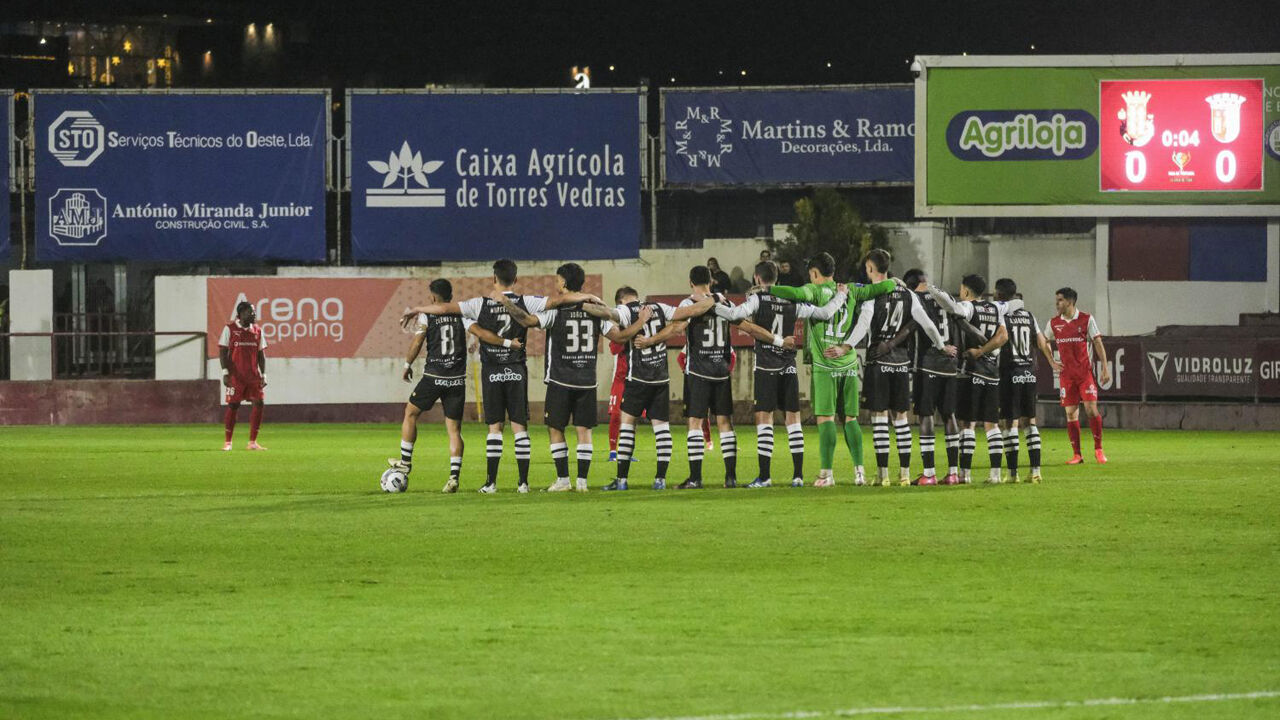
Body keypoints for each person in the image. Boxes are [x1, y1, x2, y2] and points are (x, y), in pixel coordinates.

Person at [402, 259, 579, 493]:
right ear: (515, 280)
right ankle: (523, 483)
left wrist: (417, 309)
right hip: (516, 370)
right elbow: (559, 300)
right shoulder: (526, 301)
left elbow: (446, 309)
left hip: (492, 371)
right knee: (519, 427)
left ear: (493, 278)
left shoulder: (478, 304)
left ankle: (491, 483)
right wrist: (586, 297)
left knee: (495, 428)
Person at [496, 263, 638, 492]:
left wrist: (505, 302)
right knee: (584, 430)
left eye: (557, 280)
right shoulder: (595, 310)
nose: (555, 283)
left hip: (560, 380)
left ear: (563, 282)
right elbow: (620, 337)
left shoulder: (557, 311)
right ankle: (582, 482)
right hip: (587, 380)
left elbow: (527, 321)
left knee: (555, 428)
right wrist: (640, 323)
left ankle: (563, 479)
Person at [715, 260, 844, 487]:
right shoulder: (791, 301)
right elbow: (824, 313)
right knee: (793, 420)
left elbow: (735, 315)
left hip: (766, 367)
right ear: (777, 279)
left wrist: (714, 304)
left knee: (764, 419)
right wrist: (841, 296)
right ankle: (797, 476)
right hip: (788, 367)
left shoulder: (757, 299)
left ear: (757, 278)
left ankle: (764, 476)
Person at [771, 252, 895, 486]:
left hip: (825, 364)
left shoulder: (814, 291)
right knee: (850, 419)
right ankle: (860, 472)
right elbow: (879, 288)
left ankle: (826, 474)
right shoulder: (851, 289)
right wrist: (893, 282)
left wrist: (769, 289)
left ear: (815, 273)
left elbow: (795, 294)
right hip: (847, 362)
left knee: (825, 418)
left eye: (811, 274)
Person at [390, 279, 510, 493]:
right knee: (454, 430)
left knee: (410, 413)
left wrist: (407, 365)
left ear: (434, 297)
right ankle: (454, 477)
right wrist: (506, 342)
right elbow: (481, 333)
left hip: (433, 377)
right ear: (451, 296)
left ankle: (406, 462)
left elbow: (417, 342)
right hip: (456, 381)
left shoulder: (428, 315)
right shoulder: (462, 315)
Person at [857, 251, 953, 486]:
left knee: (879, 417)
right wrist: (942, 346)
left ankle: (883, 476)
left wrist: (847, 345)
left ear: (871, 268)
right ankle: (905, 474)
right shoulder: (908, 294)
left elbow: (863, 324)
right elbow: (928, 325)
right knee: (901, 417)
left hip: (878, 361)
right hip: (901, 363)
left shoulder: (873, 295)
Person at [606, 289, 713, 490]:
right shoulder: (660, 307)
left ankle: (621, 481)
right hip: (661, 379)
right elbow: (690, 312)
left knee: (628, 426)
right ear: (636, 296)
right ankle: (660, 480)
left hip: (637, 378)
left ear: (621, 300)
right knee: (662, 430)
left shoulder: (624, 311)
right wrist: (714, 299)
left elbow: (609, 317)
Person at [638, 266, 726, 489]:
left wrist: (651, 341)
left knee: (694, 423)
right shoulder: (724, 301)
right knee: (725, 423)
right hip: (722, 370)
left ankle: (695, 477)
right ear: (711, 280)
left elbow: (677, 327)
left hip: (698, 371)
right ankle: (731, 477)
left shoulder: (689, 304)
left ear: (690, 282)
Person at [928, 275, 1009, 484]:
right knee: (992, 424)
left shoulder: (968, 306)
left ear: (965, 290)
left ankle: (964, 474)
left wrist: (934, 291)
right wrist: (986, 351)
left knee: (968, 424)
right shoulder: (994, 309)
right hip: (992, 373)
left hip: (971, 371)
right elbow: (1003, 337)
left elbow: (954, 309)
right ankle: (995, 475)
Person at [995, 280, 1053, 483]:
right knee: (1030, 421)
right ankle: (1035, 471)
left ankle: (1012, 474)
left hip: (1010, 373)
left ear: (1000, 295)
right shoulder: (1029, 316)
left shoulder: (1002, 315)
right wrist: (1052, 362)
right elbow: (1041, 341)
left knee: (1009, 423)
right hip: (1028, 372)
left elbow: (1000, 339)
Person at [1045, 287, 1110, 464]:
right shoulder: (1053, 323)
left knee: (1090, 409)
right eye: (1057, 299)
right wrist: (1051, 361)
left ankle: (1098, 449)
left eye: (1060, 300)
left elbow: (1097, 342)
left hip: (1084, 374)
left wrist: (1105, 367)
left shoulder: (1086, 319)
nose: (1057, 303)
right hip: (1066, 376)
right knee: (1071, 414)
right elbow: (1043, 341)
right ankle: (1077, 455)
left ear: (1070, 302)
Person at [219, 301, 268, 451]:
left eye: (254, 312)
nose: (253, 315)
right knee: (234, 405)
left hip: (253, 376)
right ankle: (228, 442)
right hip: (236, 377)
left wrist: (264, 374)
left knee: (259, 403)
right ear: (241, 314)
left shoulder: (258, 331)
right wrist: (225, 373)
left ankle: (252, 442)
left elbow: (261, 355)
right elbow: (222, 352)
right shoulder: (230, 329)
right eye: (250, 312)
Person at [606, 287, 638, 462]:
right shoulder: (616, 328)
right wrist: (628, 332)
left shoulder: (641, 325)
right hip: (620, 379)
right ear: (620, 304)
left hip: (636, 377)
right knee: (616, 415)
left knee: (632, 417)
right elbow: (614, 349)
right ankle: (612, 451)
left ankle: (628, 452)